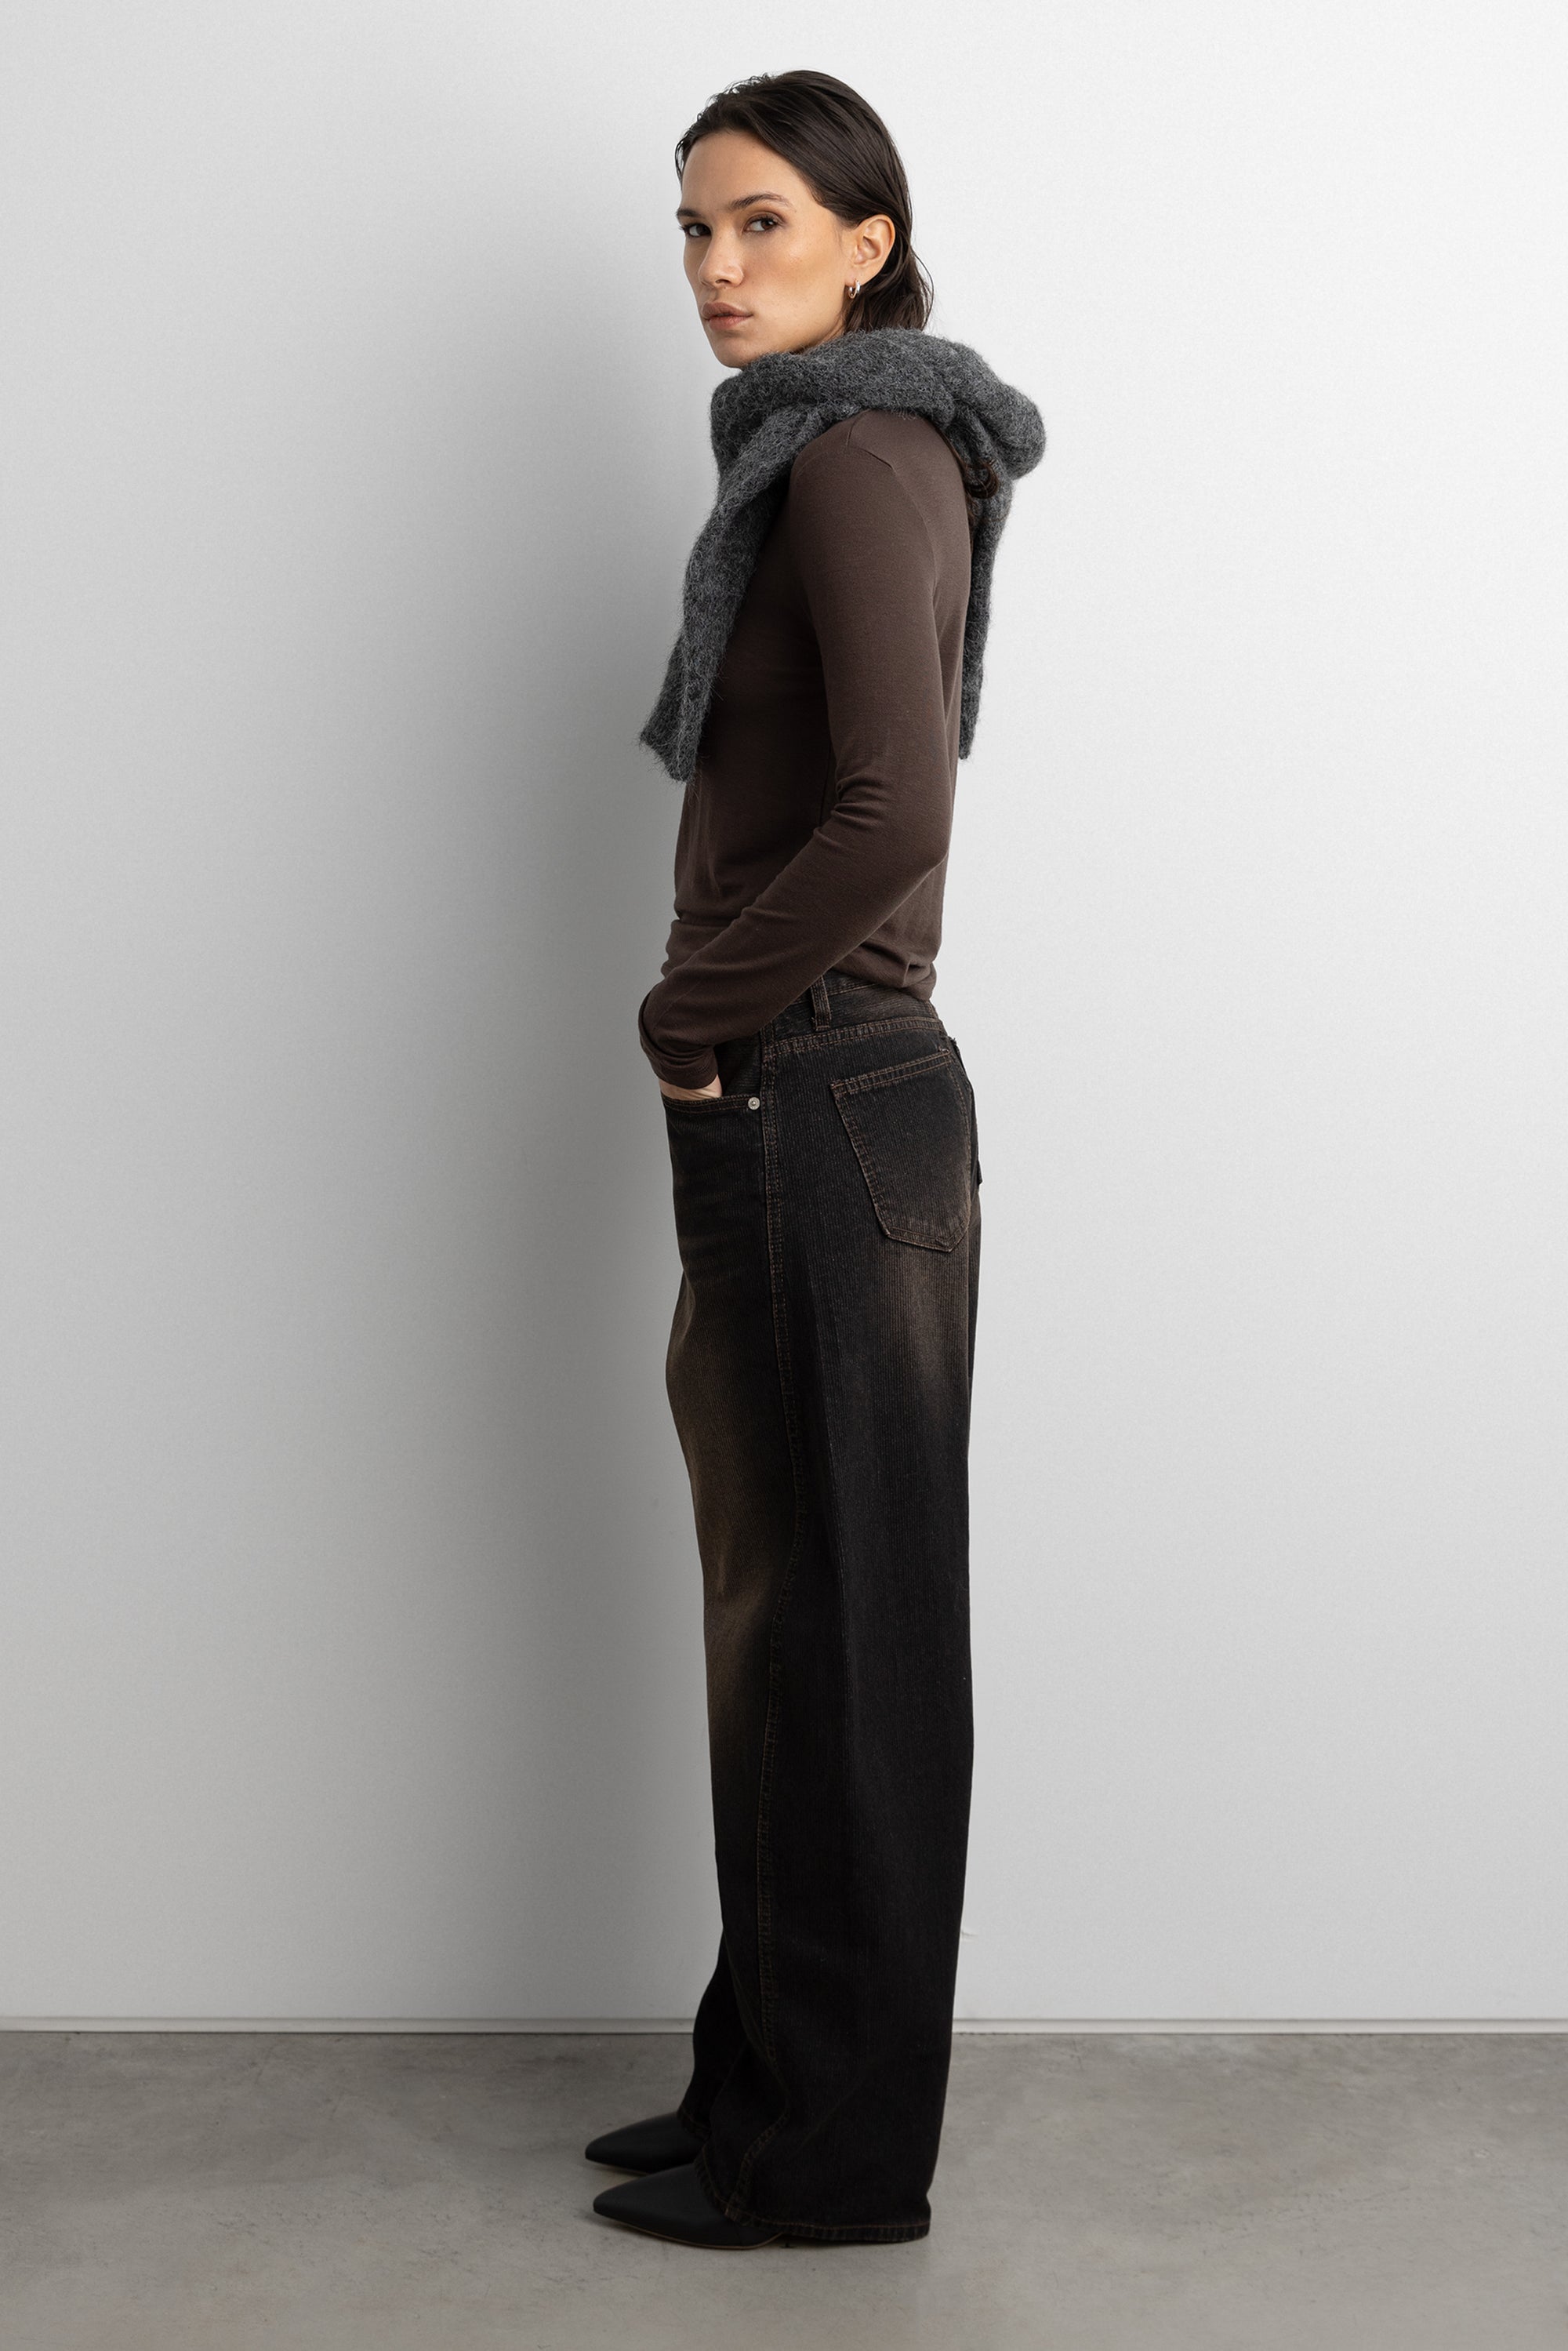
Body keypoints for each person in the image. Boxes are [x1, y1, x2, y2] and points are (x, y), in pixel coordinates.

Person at [586, 69, 1044, 2251]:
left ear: (868, 242)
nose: (716, 266)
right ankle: (759, 2083)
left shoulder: (856, 454)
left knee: (837, 1642)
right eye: (693, 227)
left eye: (761, 222)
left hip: (818, 1081)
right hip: (829, 1092)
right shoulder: (840, 447)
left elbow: (896, 806)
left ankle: (829, 2162)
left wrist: (690, 1013)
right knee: (792, 1624)